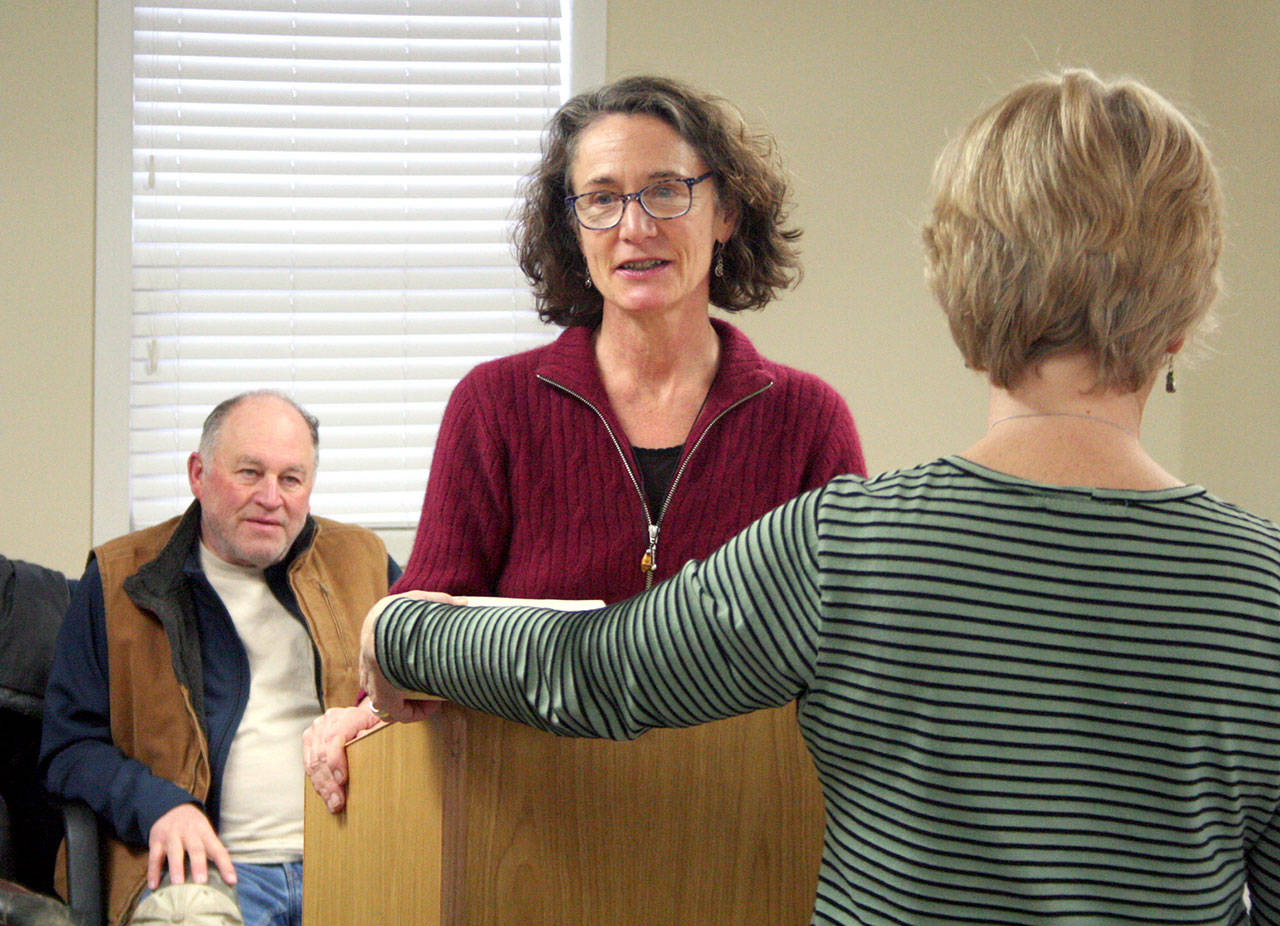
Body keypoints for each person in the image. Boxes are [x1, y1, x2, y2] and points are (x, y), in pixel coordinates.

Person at [356, 70, 1280, 924]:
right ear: (1184, 315)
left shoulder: (842, 546)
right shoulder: (1266, 590)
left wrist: (401, 630)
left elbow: (591, 672)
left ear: (960, 291)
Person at [304, 75, 864, 809]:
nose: (634, 227)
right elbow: (427, 621)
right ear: (572, 227)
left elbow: (852, 659)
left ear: (726, 211)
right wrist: (367, 703)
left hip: (744, 821)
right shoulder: (494, 405)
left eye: (666, 191)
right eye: (601, 199)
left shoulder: (807, 419)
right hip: (533, 824)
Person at [39, 391, 401, 926]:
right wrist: (158, 805)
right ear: (198, 474)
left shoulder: (363, 562)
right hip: (206, 871)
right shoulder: (119, 580)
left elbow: (422, 700)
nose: (271, 498)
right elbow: (69, 749)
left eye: (291, 479)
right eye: (250, 473)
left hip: (355, 862)